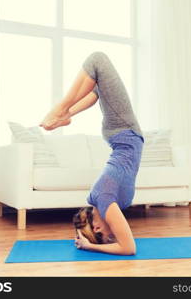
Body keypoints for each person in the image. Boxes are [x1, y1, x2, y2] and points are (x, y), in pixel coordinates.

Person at [40, 52, 144, 255]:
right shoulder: (98, 199)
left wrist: (90, 245)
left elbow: (129, 248)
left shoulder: (104, 202)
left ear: (96, 228)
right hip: (121, 135)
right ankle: (66, 115)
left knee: (97, 60)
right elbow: (127, 245)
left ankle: (61, 110)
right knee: (97, 84)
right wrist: (89, 241)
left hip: (123, 131)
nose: (114, 235)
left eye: (109, 236)